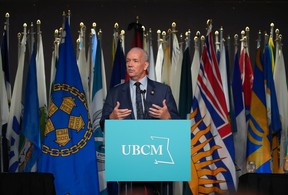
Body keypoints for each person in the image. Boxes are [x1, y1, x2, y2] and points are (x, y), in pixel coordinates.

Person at [100, 47, 179, 195]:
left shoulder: (163, 90)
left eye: (135, 61)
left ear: (145, 65)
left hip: (158, 160)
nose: (130, 64)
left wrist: (167, 117)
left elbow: (176, 126)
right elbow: (103, 125)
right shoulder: (115, 92)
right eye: (128, 61)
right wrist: (112, 118)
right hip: (128, 160)